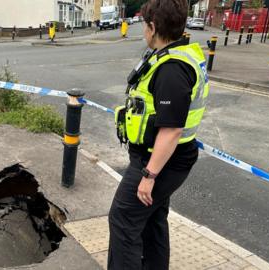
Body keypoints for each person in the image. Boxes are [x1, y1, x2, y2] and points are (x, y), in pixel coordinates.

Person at [108, 0, 209, 269]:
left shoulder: (172, 70)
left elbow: (172, 129)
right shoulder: (171, 54)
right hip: (166, 159)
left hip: (158, 161)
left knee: (123, 219)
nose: (143, 30)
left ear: (153, 27)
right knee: (153, 219)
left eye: (144, 25)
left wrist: (149, 176)